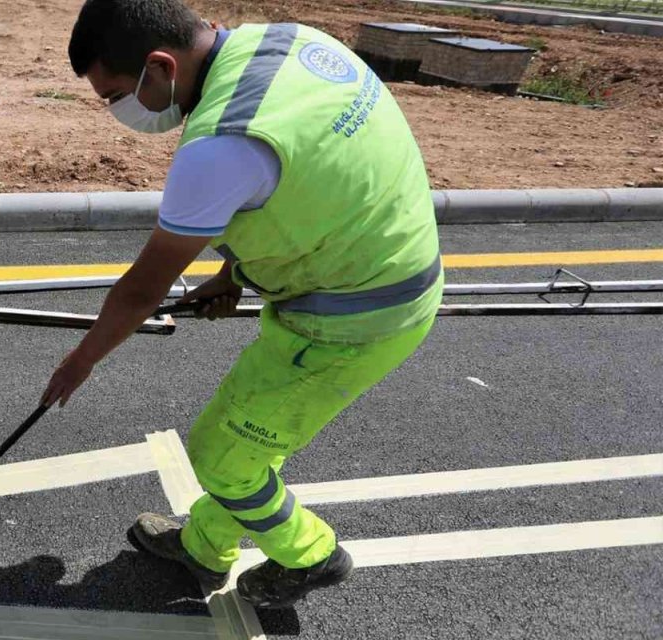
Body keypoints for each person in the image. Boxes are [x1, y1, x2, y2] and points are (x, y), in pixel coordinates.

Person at [45, 0, 443, 608]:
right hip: (383, 271)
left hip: (350, 320)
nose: (116, 110)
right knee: (246, 436)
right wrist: (235, 270)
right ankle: (206, 548)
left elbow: (141, 291)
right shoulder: (288, 43)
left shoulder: (217, 148)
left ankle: (311, 556)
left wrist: (81, 361)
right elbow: (317, 176)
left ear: (160, 66)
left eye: (115, 94)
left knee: (220, 457)